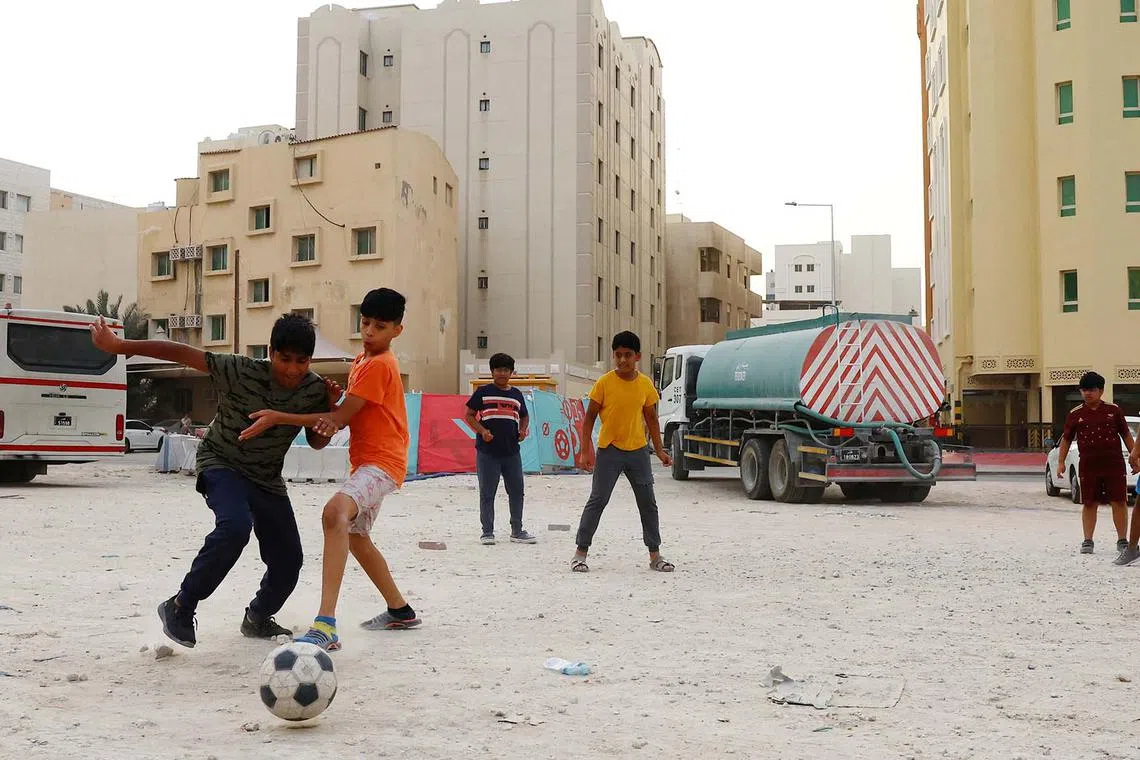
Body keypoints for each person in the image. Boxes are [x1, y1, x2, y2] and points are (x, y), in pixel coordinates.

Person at [90, 313, 337, 648]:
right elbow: (180, 352)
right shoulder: (240, 369)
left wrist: (328, 412)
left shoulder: (314, 388)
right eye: (284, 359)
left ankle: (258, 616)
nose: (293, 369)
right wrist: (122, 346)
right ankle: (180, 605)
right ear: (270, 352)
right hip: (222, 463)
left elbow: (316, 441)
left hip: (266, 479)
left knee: (289, 560)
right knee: (234, 528)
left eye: (302, 361)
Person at [239, 288, 419, 651]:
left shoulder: (381, 364)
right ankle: (400, 610)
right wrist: (332, 400)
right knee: (354, 535)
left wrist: (279, 417)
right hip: (370, 462)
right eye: (365, 323)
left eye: (379, 326)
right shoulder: (362, 361)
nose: (369, 331)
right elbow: (347, 413)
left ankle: (326, 624)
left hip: (382, 463)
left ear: (397, 331)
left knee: (334, 513)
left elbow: (337, 420)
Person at [571, 331, 674, 574]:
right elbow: (589, 420)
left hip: (638, 452)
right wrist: (585, 452)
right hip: (609, 451)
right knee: (597, 500)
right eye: (618, 355)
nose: (622, 360)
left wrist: (659, 451)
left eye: (628, 355)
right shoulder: (604, 383)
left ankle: (655, 555)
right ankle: (579, 554)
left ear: (637, 356)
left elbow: (651, 419)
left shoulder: (645, 384)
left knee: (648, 503)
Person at [1056, 371, 1138, 562]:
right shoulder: (1075, 414)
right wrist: (1061, 462)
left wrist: (1135, 458)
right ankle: (1087, 540)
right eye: (1084, 390)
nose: (1087, 394)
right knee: (1089, 502)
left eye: (1092, 390)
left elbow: (1126, 435)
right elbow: (1066, 439)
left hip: (1114, 464)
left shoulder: (1114, 410)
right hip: (1088, 464)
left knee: (1118, 501)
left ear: (1101, 390)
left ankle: (1122, 540)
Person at [464, 352, 535, 545]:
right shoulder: (482, 392)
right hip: (487, 452)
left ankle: (517, 530)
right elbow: (469, 414)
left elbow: (524, 416)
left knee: (517, 491)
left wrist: (523, 430)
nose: (502, 373)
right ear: (492, 371)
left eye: (505, 370)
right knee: (487, 492)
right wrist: (482, 431)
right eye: (498, 369)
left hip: (512, 451)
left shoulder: (516, 395)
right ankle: (487, 532)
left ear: (511, 372)